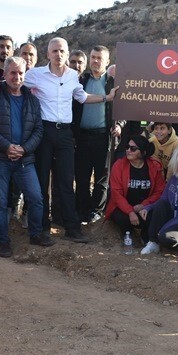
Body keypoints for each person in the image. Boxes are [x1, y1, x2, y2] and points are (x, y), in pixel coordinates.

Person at [24, 37, 112, 243]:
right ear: (48, 54)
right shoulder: (35, 75)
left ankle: (72, 228)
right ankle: (42, 228)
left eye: (62, 51)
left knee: (66, 181)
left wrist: (107, 98)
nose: (58, 54)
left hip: (65, 134)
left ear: (67, 52)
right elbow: (15, 83)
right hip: (43, 132)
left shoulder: (73, 76)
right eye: (54, 51)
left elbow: (82, 97)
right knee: (42, 181)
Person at [0, 56, 53, 257]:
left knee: (36, 198)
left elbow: (38, 129)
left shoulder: (32, 99)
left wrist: (24, 149)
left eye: (21, 73)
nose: (17, 77)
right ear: (5, 73)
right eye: (13, 72)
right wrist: (6, 147)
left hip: (24, 160)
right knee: (0, 203)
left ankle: (35, 234)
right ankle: (3, 242)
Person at [74, 45, 115, 224]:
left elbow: (121, 108)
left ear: (107, 61)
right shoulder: (80, 80)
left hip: (103, 136)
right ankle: (81, 211)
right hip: (81, 136)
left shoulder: (113, 82)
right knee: (81, 176)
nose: (96, 61)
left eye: (100, 58)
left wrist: (119, 125)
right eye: (93, 57)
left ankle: (96, 211)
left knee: (101, 177)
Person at [106, 133, 165, 246]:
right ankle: (127, 234)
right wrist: (130, 211)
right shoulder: (119, 165)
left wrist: (144, 205)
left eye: (133, 148)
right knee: (122, 218)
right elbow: (116, 194)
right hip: (123, 208)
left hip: (143, 207)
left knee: (154, 214)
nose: (128, 150)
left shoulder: (154, 166)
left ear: (143, 152)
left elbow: (159, 191)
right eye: (127, 147)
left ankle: (145, 236)